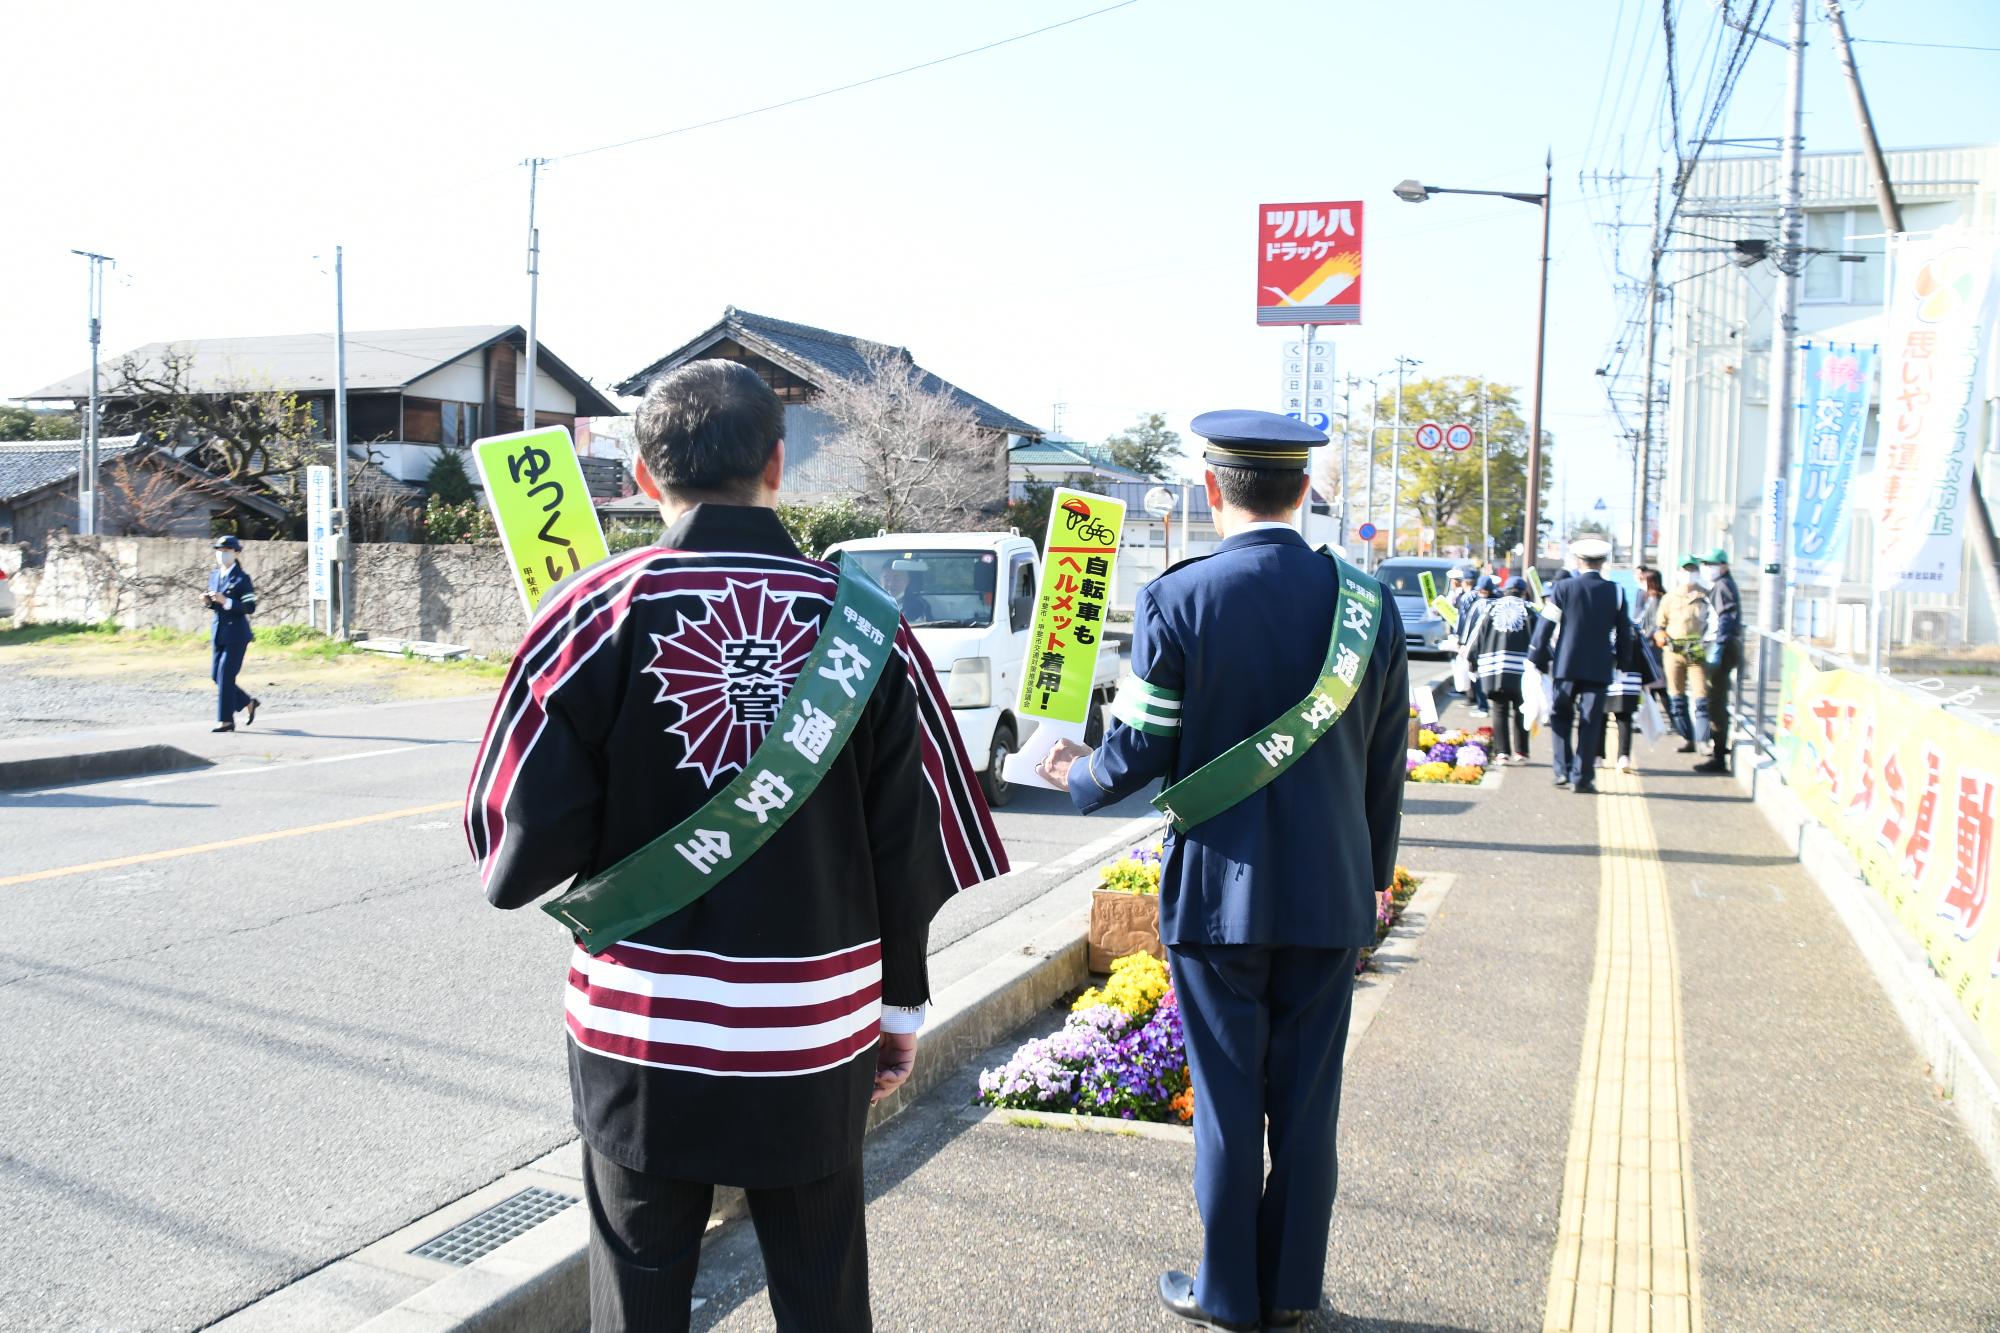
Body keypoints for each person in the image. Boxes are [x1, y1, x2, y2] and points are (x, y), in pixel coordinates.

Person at [464, 360, 1004, 1333]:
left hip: (641, 1026)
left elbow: (519, 855)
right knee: (821, 1284)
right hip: (813, 1027)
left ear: (640, 470)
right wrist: (898, 1004)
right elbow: (908, 847)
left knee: (637, 1291)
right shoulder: (870, 629)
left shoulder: (589, 615)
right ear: (777, 463)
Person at [1036, 409, 1408, 1333]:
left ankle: (1229, 1294)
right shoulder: (1366, 604)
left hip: (1216, 897)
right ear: (1306, 491)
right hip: (1330, 895)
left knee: (1230, 1106)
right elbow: (1386, 759)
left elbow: (1137, 751)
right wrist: (1375, 875)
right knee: (1309, 1105)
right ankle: (1292, 1285)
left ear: (1213, 490)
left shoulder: (1180, 598)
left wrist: (1071, 774)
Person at [1529, 537, 1633, 794]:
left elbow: (1546, 623)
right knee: (1590, 720)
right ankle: (1583, 777)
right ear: (1603, 562)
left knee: (1561, 716)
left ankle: (1562, 770)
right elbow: (1624, 632)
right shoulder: (1616, 591)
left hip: (1566, 664)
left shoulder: (1563, 588)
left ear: (1578, 561)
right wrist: (1623, 663)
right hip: (1599, 667)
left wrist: (1535, 656)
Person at [1469, 576, 1537, 764]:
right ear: (1523, 592)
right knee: (1521, 709)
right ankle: (1521, 752)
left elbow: (1476, 638)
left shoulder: (1491, 609)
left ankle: (1502, 752)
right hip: (1522, 671)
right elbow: (1540, 640)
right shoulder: (1529, 610)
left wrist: (1472, 662)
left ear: (1505, 590)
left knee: (1499, 710)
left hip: (1494, 670)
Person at [202, 534, 259, 733]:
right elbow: (217, 606)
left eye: (226, 551)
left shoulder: (242, 579)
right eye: (219, 551)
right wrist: (209, 602)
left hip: (237, 634)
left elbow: (250, 607)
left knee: (226, 675)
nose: (222, 555)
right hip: (219, 632)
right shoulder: (215, 575)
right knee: (216, 676)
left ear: (236, 553)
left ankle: (226, 721)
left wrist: (226, 601)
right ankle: (248, 702)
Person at [1653, 555, 1710, 753]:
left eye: (1692, 570)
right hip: (1673, 652)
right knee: (1676, 698)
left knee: (1701, 697)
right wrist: (1661, 637)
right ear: (1678, 573)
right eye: (1685, 570)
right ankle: (1687, 737)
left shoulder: (1705, 596)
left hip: (1697, 653)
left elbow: (1713, 623)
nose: (1689, 574)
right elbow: (1659, 625)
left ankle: (1703, 740)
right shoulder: (1669, 598)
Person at [1693, 547, 1742, 774]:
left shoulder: (1723, 586)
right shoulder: (1721, 585)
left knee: (1715, 701)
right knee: (1715, 700)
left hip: (1722, 648)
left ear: (1723, 566)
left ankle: (1720, 756)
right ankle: (1718, 751)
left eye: (1711, 564)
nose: (1707, 568)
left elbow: (1726, 617)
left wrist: (1719, 646)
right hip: (1720, 647)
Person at [1458, 574, 1498, 717]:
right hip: (1496, 647)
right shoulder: (1499, 603)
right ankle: (1490, 702)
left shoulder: (1479, 605)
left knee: (1477, 675)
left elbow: (1467, 626)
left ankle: (1483, 706)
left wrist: (1463, 643)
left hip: (1478, 647)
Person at [880, 558, 933, 623]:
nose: (890, 584)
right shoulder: (873, 602)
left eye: (896, 579)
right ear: (880, 580)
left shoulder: (920, 605)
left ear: (907, 581)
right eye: (887, 579)